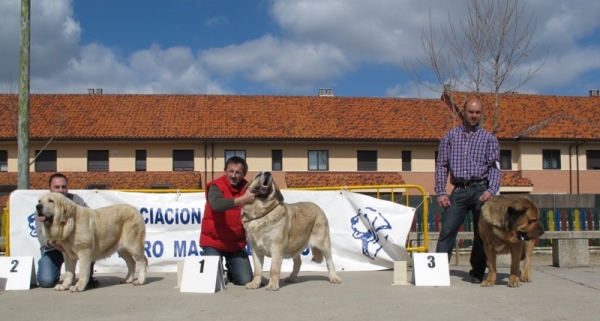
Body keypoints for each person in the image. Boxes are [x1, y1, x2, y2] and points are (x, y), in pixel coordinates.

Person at [434, 97, 501, 283]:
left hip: (481, 189)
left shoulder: (489, 140)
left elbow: (494, 168)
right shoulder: (450, 137)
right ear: (463, 112)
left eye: (477, 112)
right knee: (447, 229)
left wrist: (491, 189)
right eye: (471, 112)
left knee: (481, 233)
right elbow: (441, 166)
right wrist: (441, 191)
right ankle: (438, 271)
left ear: (481, 114)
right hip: (459, 189)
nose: (474, 116)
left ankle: (477, 272)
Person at [35, 173, 100, 289]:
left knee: (88, 247)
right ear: (49, 188)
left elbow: (91, 220)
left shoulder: (76, 200)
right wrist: (52, 243)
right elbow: (40, 235)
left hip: (75, 245)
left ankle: (86, 276)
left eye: (63, 187)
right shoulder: (42, 205)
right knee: (46, 281)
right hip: (53, 249)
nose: (61, 190)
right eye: (57, 187)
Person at [200, 156, 256, 285]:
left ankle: (232, 269)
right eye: (231, 171)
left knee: (245, 280)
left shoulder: (249, 188)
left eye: (238, 172)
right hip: (214, 241)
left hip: (236, 244)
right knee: (212, 281)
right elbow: (216, 205)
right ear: (225, 171)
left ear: (244, 174)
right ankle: (222, 265)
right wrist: (242, 200)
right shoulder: (215, 186)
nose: (234, 175)